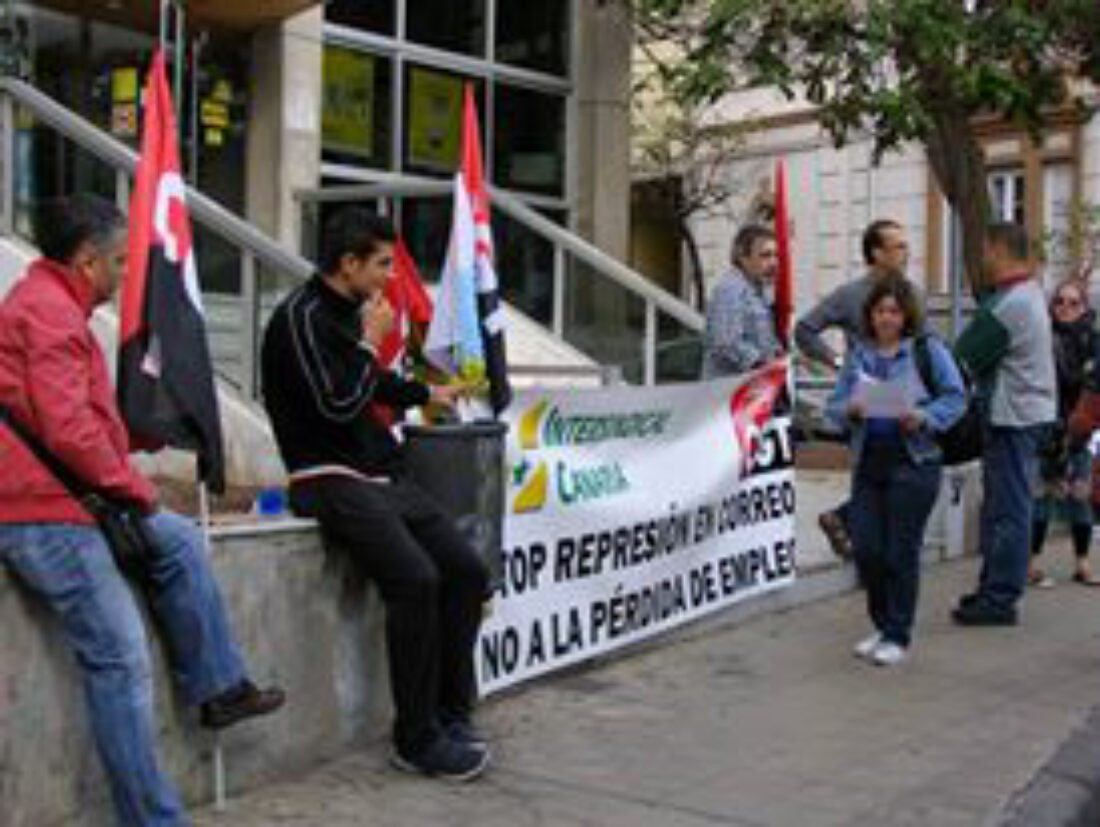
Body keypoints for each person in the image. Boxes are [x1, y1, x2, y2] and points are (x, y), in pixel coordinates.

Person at [0, 194, 285, 827]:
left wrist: (139, 437)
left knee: (179, 542)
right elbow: (67, 431)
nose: (127, 274)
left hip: (67, 499)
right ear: (86, 260)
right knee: (120, 657)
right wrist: (134, 485)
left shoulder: (52, 305)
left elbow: (71, 422)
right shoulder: (47, 312)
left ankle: (218, 688)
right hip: (42, 515)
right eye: (119, 262)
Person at [260, 207, 490, 782]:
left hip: (380, 473)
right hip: (325, 476)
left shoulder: (351, 314)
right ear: (349, 263)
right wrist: (369, 344)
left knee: (464, 569)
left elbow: (374, 388)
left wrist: (426, 392)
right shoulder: (300, 319)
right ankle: (415, 740)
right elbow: (337, 403)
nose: (392, 275)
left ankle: (450, 715)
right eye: (384, 264)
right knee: (415, 579)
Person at [826, 275, 966, 666]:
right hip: (870, 462)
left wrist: (923, 416)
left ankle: (897, 635)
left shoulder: (927, 349)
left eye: (893, 311)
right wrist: (849, 411)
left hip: (914, 462)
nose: (886, 318)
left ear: (906, 315)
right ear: (870, 316)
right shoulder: (859, 354)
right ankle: (883, 624)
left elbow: (956, 398)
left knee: (899, 551)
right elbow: (833, 407)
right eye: (879, 311)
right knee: (868, 549)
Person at [795, 219, 921, 560]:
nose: (904, 253)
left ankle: (849, 526)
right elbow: (805, 329)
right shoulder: (851, 295)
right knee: (873, 476)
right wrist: (836, 362)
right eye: (897, 247)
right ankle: (867, 547)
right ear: (876, 253)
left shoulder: (912, 294)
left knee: (902, 477)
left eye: (905, 246)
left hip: (906, 397)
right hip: (868, 401)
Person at [952, 223, 1057, 626]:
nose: (982, 260)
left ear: (997, 250)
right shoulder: (1030, 295)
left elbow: (961, 357)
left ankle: (999, 598)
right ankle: (993, 588)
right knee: (1004, 507)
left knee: (1008, 509)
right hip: (1027, 415)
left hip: (1012, 418)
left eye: (986, 251)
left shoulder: (1008, 303)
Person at [1028, 278, 1100, 587]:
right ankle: (1032, 563)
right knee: (1042, 494)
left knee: (1080, 494)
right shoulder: (1042, 337)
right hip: (1045, 426)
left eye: (1074, 303)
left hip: (1080, 426)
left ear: (1085, 307)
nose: (1066, 309)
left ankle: (1082, 563)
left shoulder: (1093, 341)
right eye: (1060, 302)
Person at [700, 224, 783, 379]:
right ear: (743, 258)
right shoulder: (731, 290)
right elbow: (726, 343)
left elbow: (764, 341)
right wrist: (765, 365)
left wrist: (781, 357)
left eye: (776, 255)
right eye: (765, 255)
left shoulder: (760, 292)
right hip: (727, 394)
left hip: (752, 390)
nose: (774, 263)